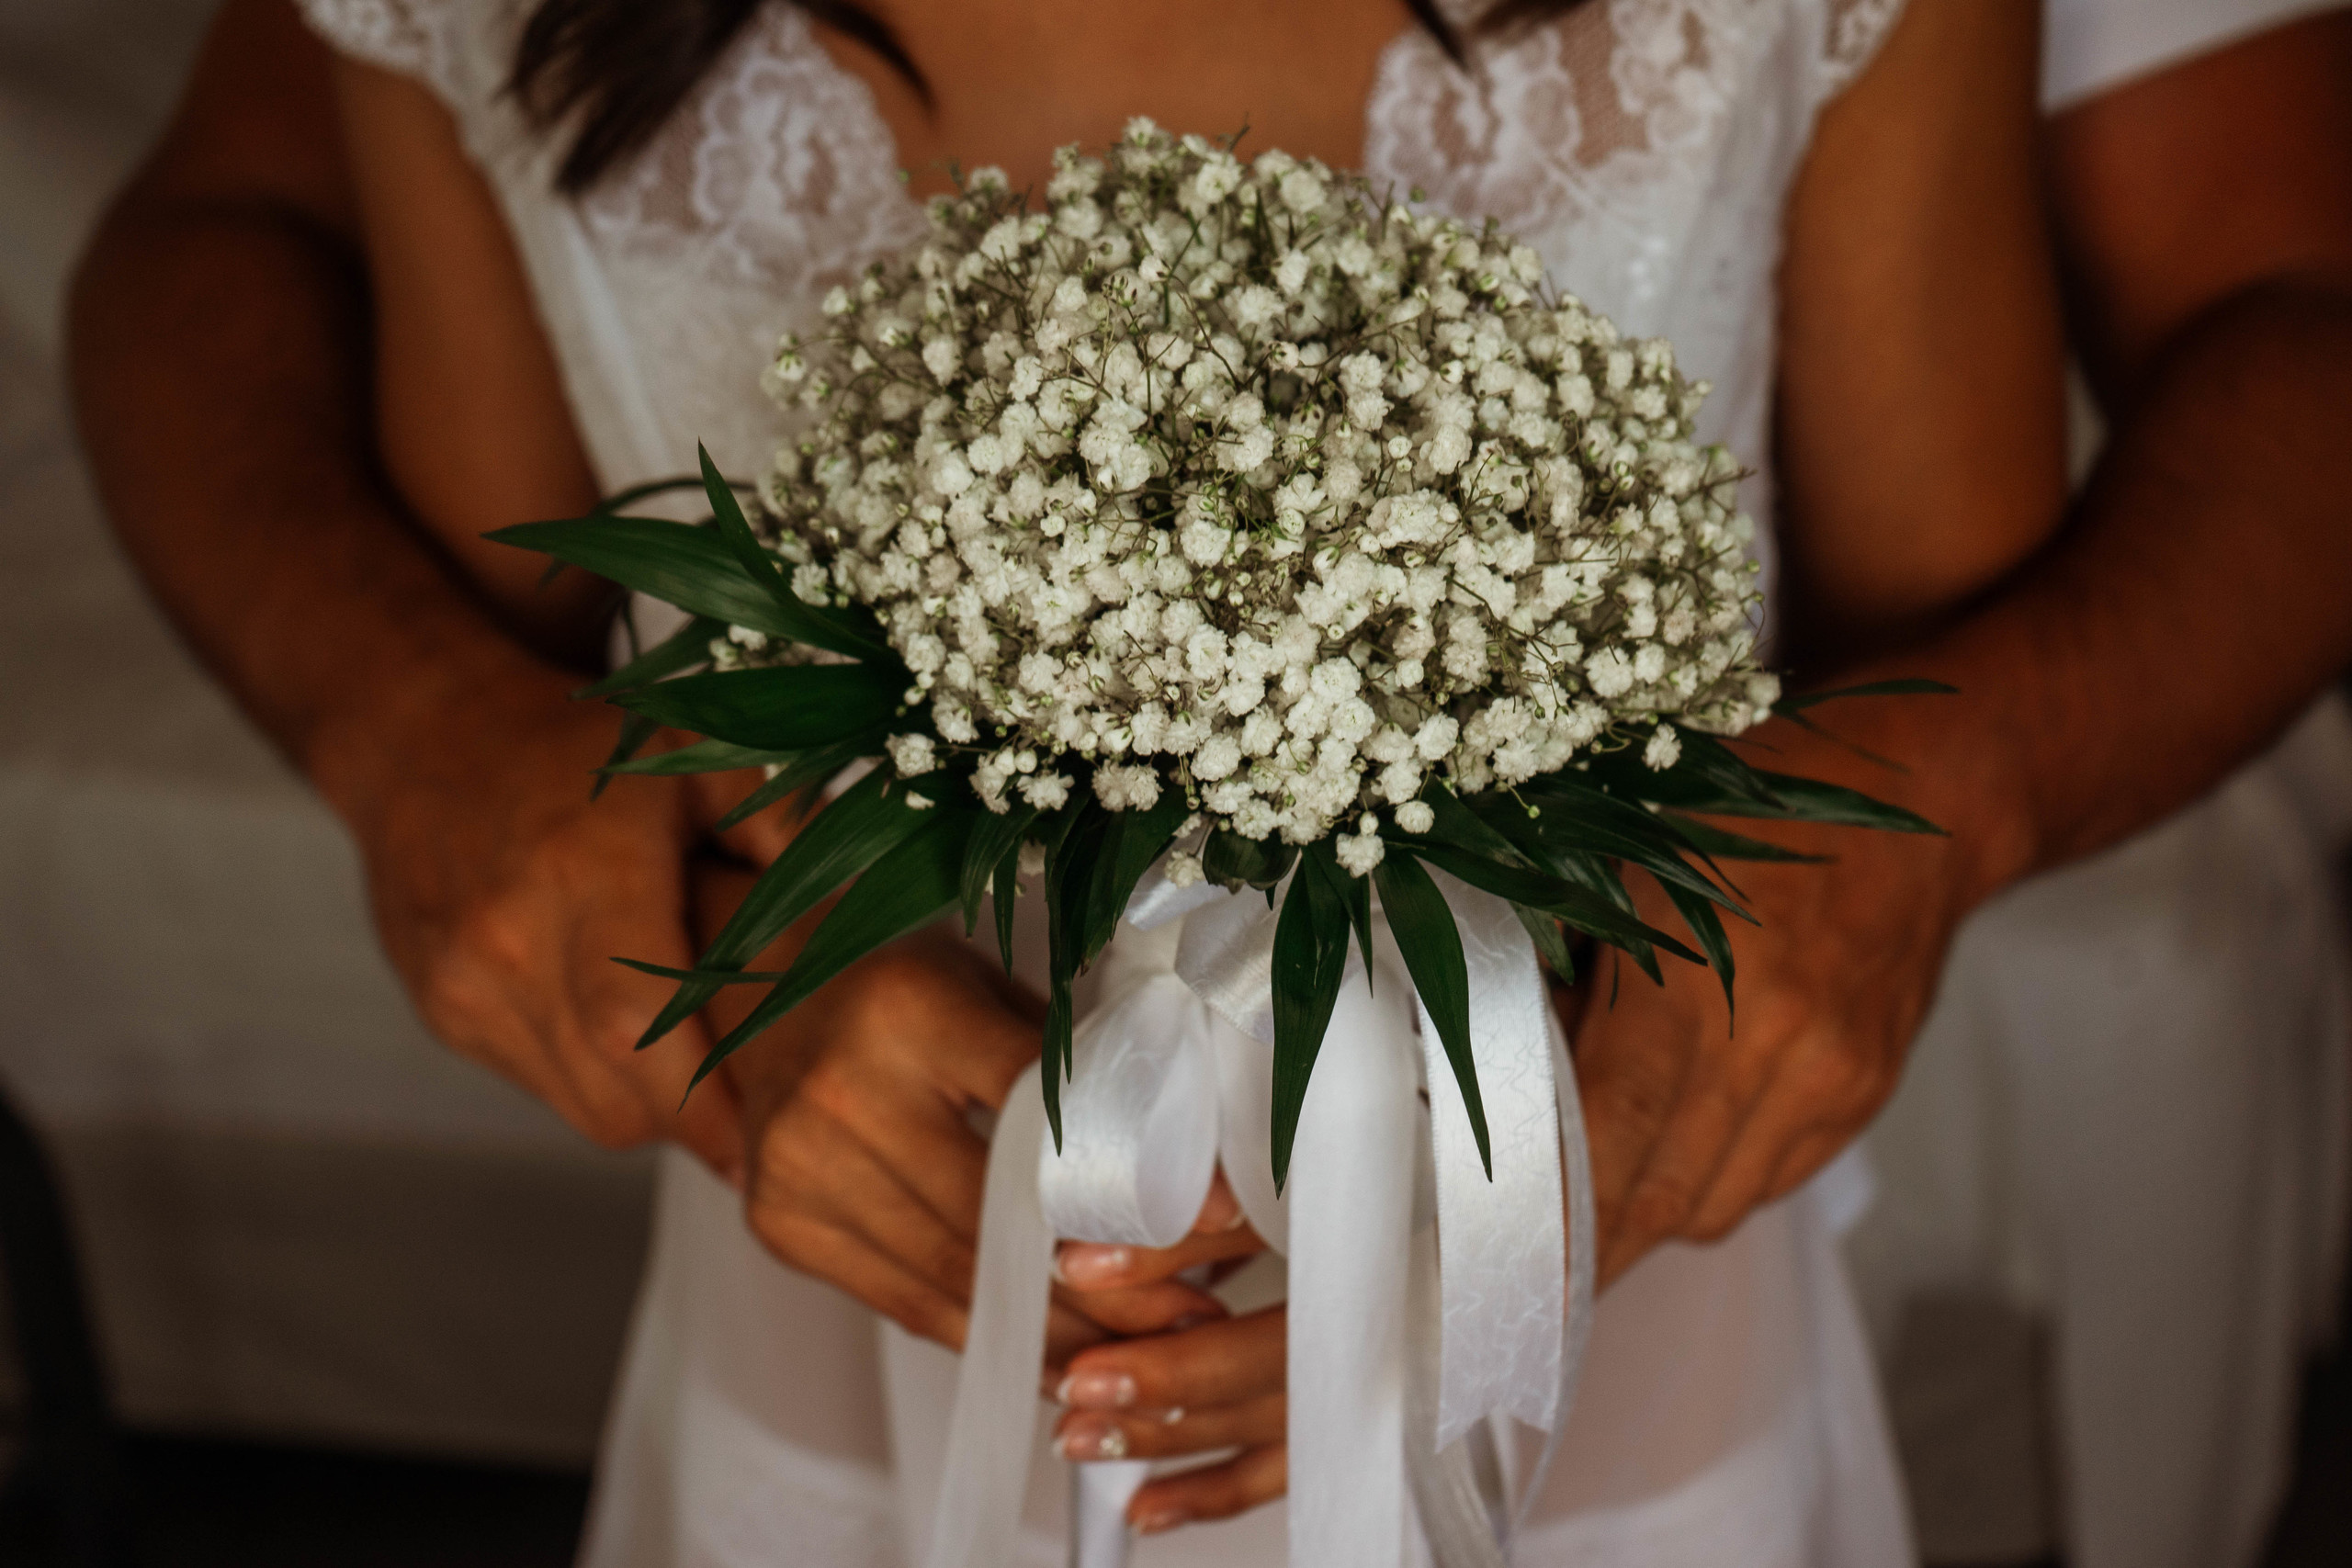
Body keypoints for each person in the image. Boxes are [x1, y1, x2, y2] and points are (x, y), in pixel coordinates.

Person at [62, 0, 2352, 1562]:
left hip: (1582, 1350)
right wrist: (437, 752)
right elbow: (496, 598)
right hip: (852, 1348)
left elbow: (1926, 634)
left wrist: (1897, 843)